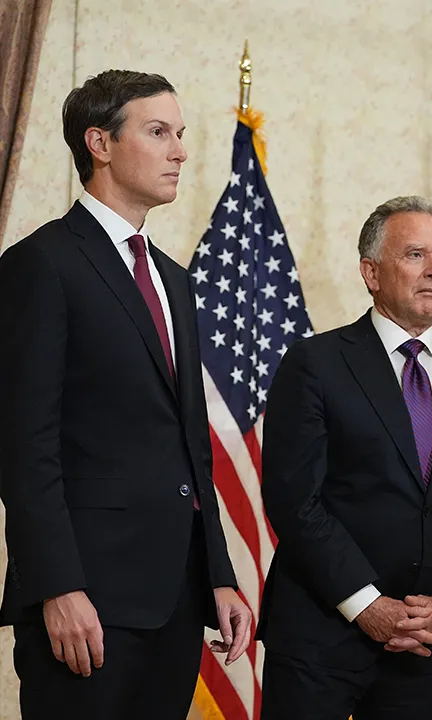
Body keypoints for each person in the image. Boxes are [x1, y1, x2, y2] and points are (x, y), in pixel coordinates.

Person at [0, 70, 252, 719]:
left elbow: (191, 445)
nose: (180, 151)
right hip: (86, 604)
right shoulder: (41, 265)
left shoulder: (174, 279)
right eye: (159, 132)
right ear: (100, 143)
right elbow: (24, 446)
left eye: (181, 134)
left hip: (174, 603)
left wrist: (217, 573)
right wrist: (57, 586)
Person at [258, 195, 432, 719]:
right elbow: (294, 502)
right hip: (318, 637)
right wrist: (366, 604)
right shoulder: (316, 363)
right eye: (415, 255)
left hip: (421, 645)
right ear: (371, 272)